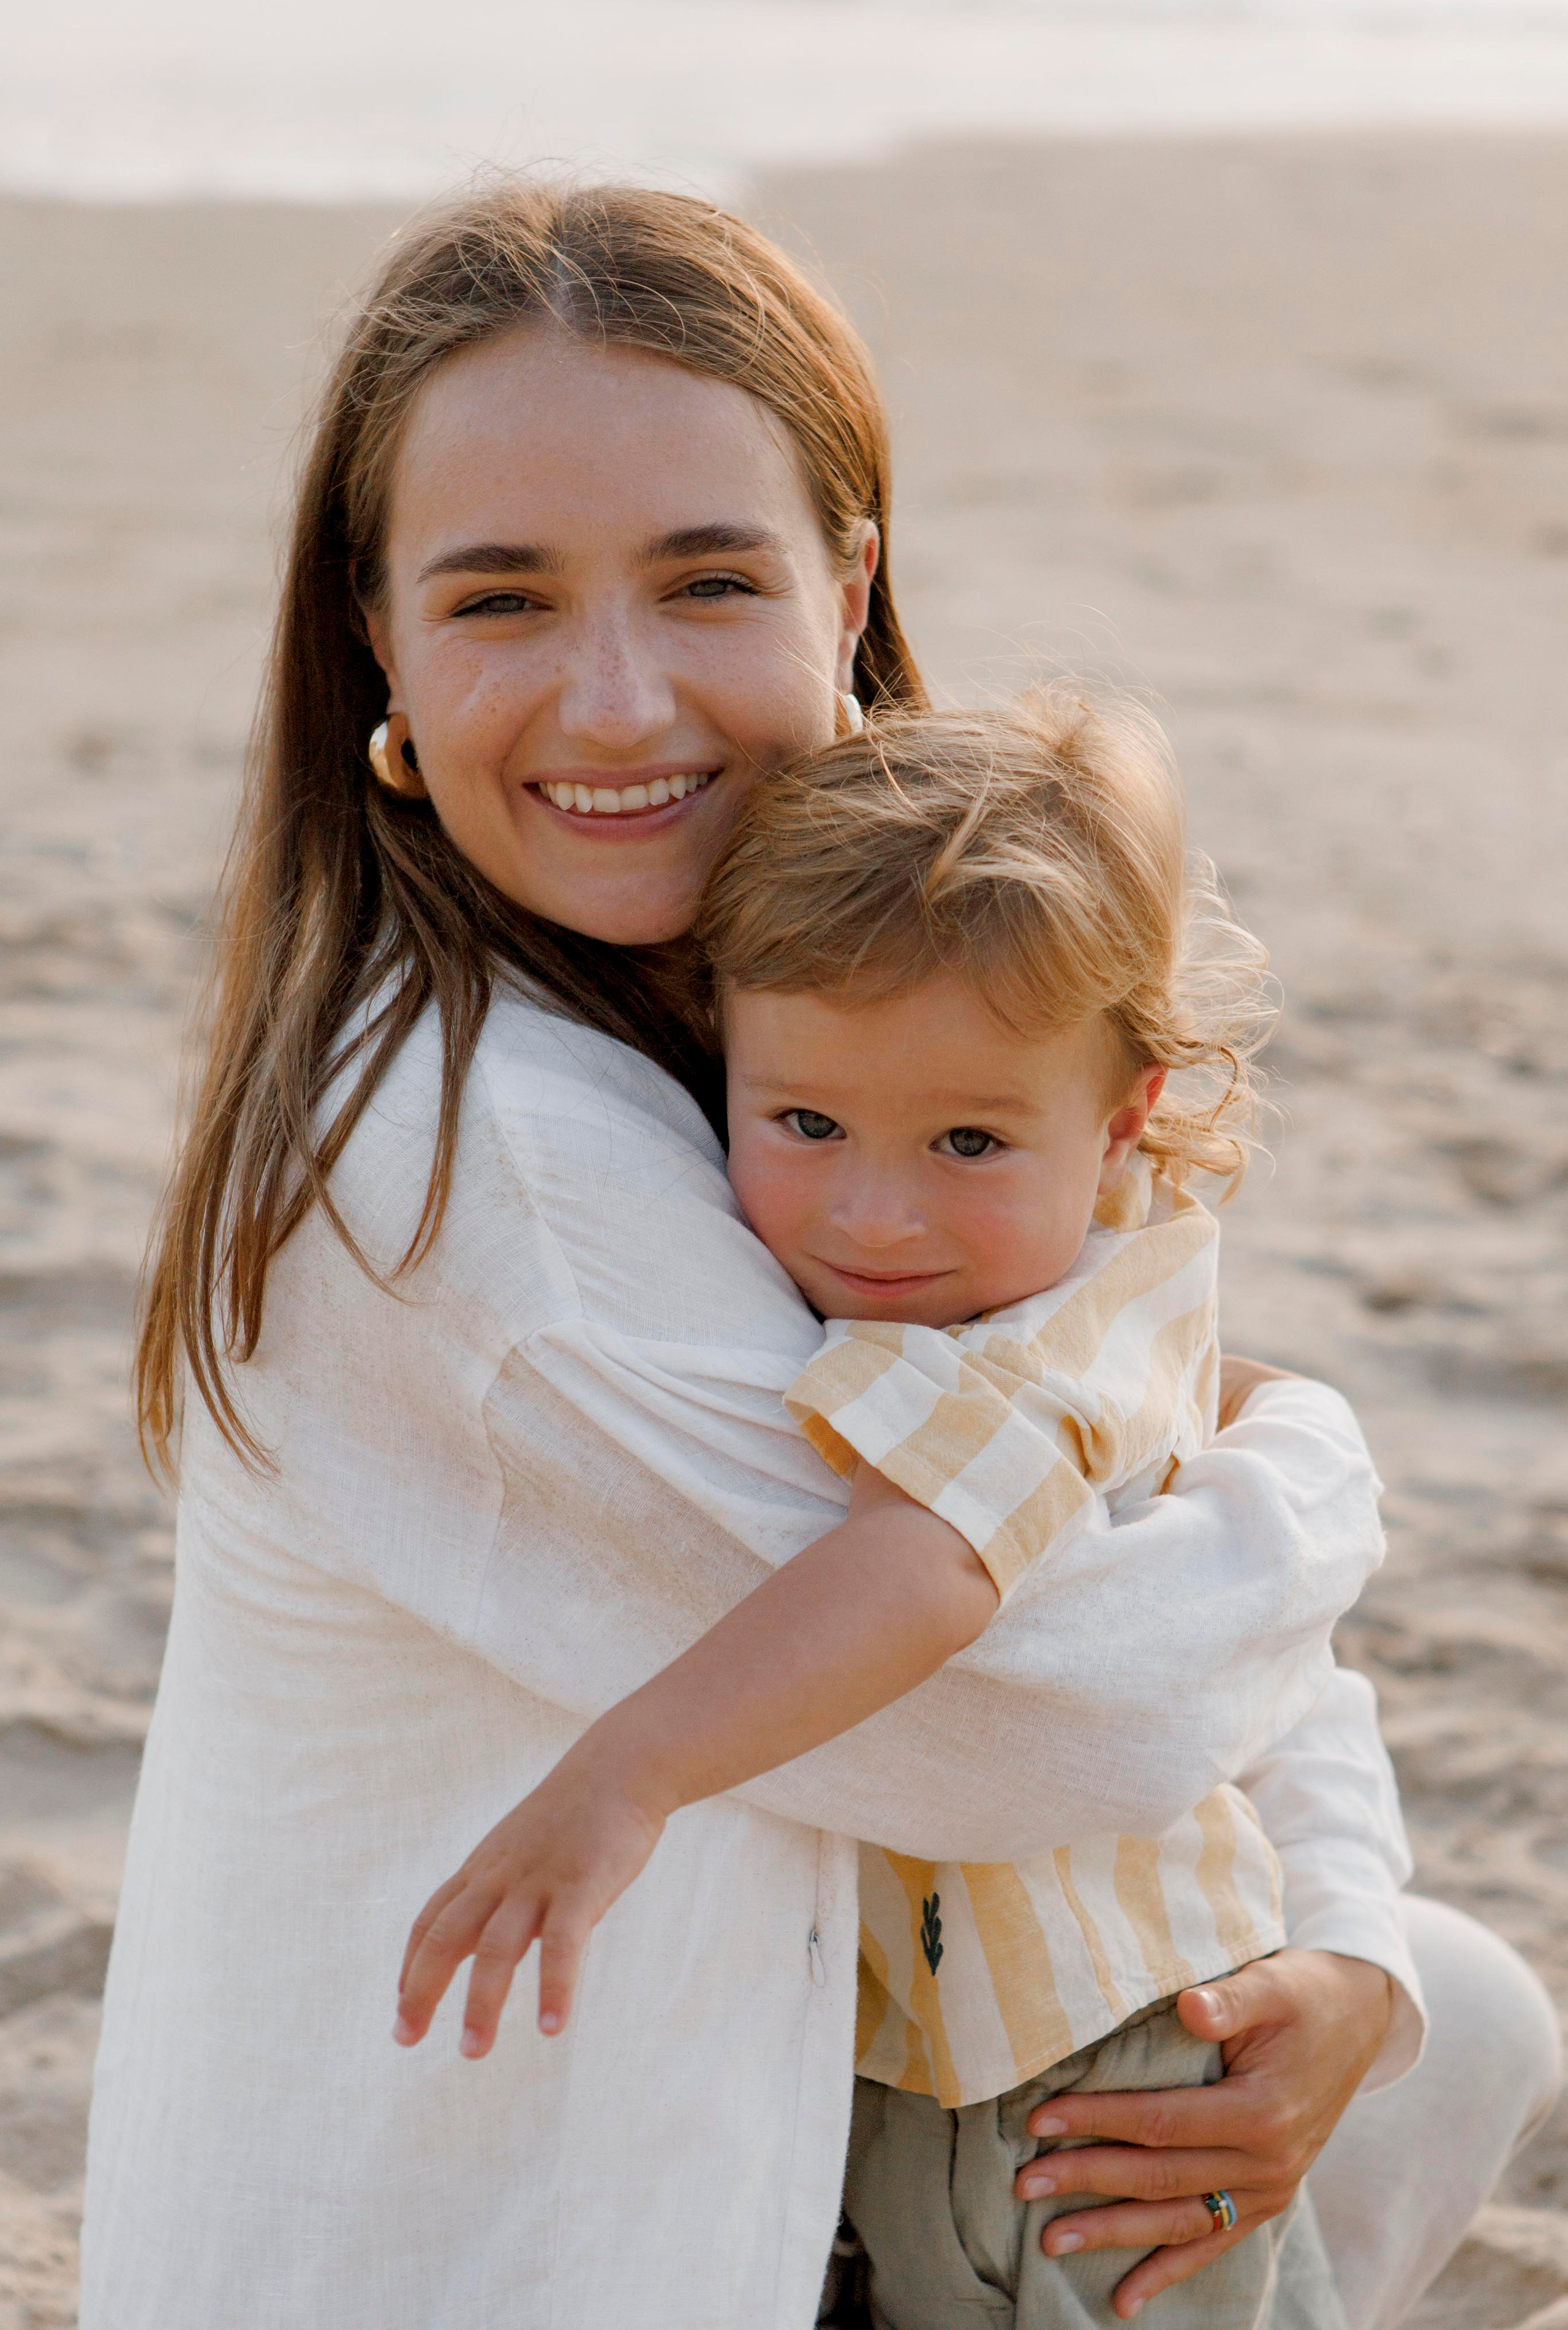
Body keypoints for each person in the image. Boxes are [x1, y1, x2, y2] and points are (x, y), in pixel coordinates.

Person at [82, 181, 1559, 2330]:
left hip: (846, 2122)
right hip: (536, 2258)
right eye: (501, 599)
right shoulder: (476, 1172)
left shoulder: (823, 1042)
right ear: (375, 641)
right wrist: (1307, 1464)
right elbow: (1033, 1708)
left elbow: (1121, 1508)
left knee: (1457, 2008)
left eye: (708, 582)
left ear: (850, 586)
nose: (616, 700)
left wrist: (1331, 1934)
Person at [393, 690, 1356, 2330]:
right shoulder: (934, 1268)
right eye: (806, 1122)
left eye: (971, 1139)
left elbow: (926, 1568)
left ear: (1123, 1118)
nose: (874, 1212)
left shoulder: (1056, 1334)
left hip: (1110, 2052)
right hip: (908, 2048)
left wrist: (632, 1773)